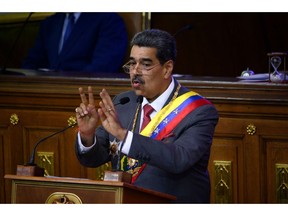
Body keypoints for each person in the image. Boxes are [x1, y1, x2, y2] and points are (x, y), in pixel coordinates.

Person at [74, 29, 219, 203]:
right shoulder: (124, 102)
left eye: (145, 64)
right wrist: (87, 136)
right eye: (132, 63)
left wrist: (124, 136)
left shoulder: (198, 111)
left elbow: (178, 159)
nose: (135, 72)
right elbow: (93, 159)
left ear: (167, 69)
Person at [22, 12, 128, 73]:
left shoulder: (109, 20)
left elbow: (103, 67)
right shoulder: (50, 22)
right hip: (45, 91)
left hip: (83, 95)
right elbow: (31, 62)